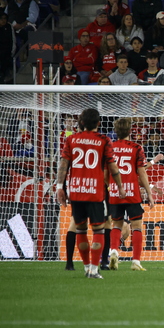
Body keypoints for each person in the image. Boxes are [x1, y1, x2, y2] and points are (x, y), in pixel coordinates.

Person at [56, 108, 126, 279]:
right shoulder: (104, 140)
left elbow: (64, 165)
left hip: (77, 192)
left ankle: (87, 267)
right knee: (98, 231)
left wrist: (60, 187)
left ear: (81, 123)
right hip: (95, 192)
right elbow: (112, 166)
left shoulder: (71, 139)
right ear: (98, 123)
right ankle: (94, 270)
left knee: (80, 230)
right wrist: (120, 186)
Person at [107, 118, 155, 271]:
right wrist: (149, 193)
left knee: (116, 225)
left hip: (115, 192)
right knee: (137, 227)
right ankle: (136, 261)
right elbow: (141, 172)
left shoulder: (110, 147)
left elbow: (105, 171)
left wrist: (108, 187)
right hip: (132, 192)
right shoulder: (136, 147)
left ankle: (113, 251)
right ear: (130, 131)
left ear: (116, 131)